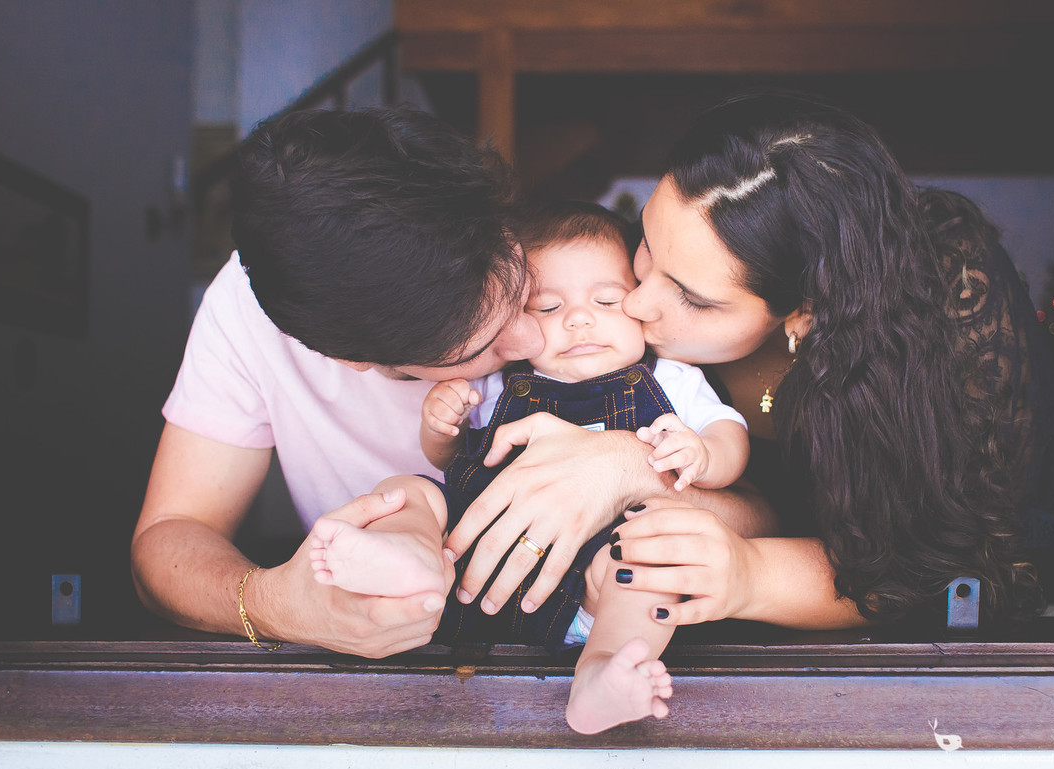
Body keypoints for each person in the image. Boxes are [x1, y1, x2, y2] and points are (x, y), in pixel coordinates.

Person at [443, 89, 1054, 632]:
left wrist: (751, 573)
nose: (636, 302)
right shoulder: (620, 309)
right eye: (647, 247)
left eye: (692, 297)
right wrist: (626, 464)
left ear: (807, 311)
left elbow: (938, 575)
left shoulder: (944, 312)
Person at [309, 202, 749, 733]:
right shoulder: (499, 383)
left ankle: (601, 673)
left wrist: (705, 454)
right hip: (473, 563)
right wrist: (440, 427)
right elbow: (450, 462)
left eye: (607, 300)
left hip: (596, 577)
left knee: (647, 568)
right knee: (407, 491)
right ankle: (408, 556)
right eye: (546, 308)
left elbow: (729, 435)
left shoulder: (672, 380)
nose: (578, 319)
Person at [130, 106, 545, 657]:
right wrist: (274, 603)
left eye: (527, 290)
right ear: (348, 358)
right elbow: (170, 536)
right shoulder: (248, 311)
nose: (534, 341)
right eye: (480, 347)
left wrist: (622, 467)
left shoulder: (570, 250)